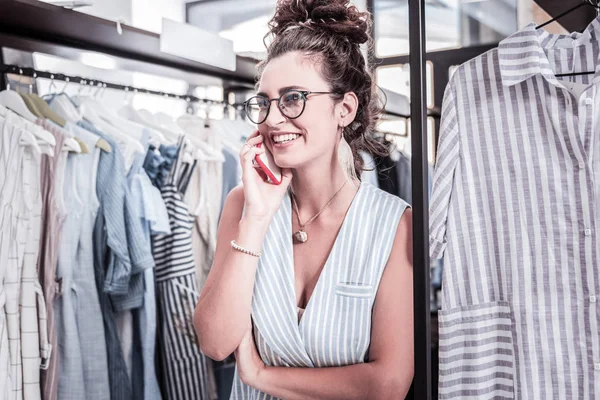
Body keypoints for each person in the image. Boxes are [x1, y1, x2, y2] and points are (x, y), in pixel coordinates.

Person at [194, 0, 414, 398]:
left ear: (344, 108)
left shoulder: (394, 225)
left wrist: (262, 377)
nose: (273, 118)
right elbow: (214, 341)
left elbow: (387, 385)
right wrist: (258, 217)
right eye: (264, 101)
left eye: (293, 97)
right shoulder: (243, 206)